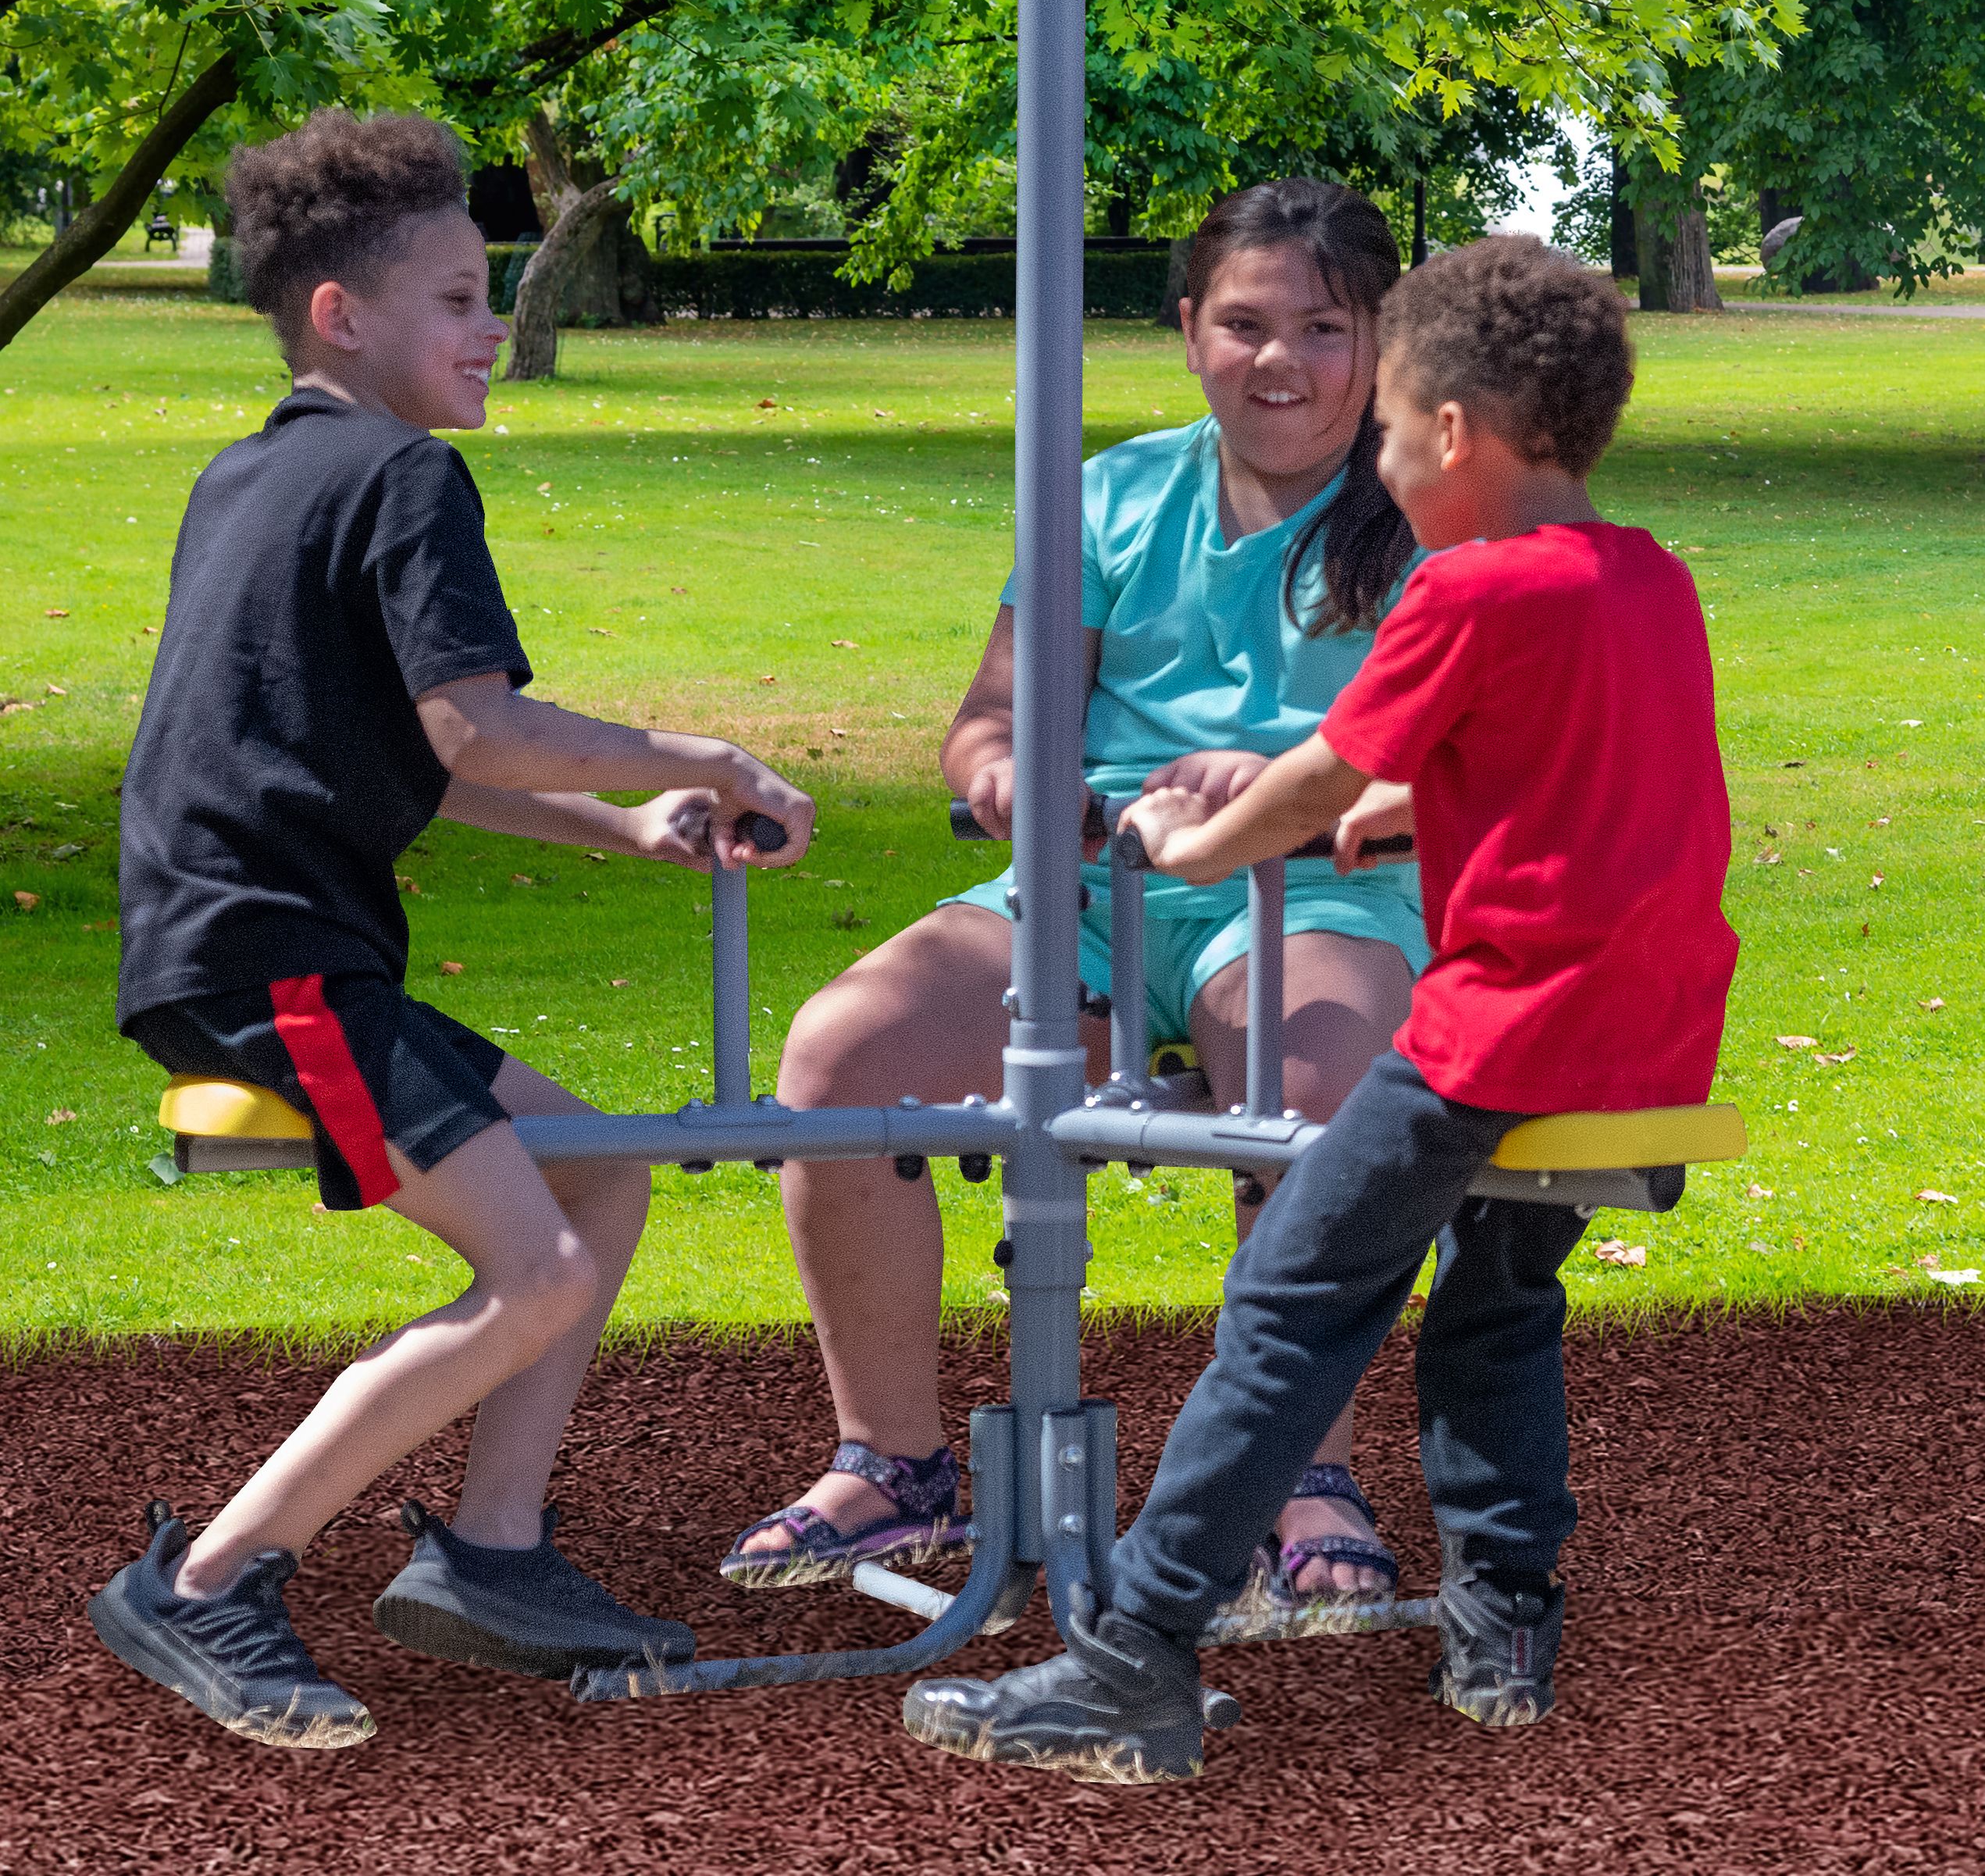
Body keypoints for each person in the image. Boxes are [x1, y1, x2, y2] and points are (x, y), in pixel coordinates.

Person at [900, 233, 1740, 1782]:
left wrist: (1191, 841)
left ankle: (1128, 1652)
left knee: (1288, 1297)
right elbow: (1582, 781)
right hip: (1645, 1028)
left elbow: (1313, 775)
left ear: (1452, 436)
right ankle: (1499, 1616)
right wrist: (1414, 812)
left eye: (1393, 424)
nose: (1381, 461)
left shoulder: (1467, 588)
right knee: (1495, 1299)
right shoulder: (1645, 578)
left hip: (1499, 1032)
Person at [89, 110, 814, 1749]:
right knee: (534, 1265)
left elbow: (415, 750)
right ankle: (209, 1574)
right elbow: (481, 727)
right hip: (274, 960)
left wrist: (624, 821)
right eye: (458, 295)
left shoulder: (259, 470)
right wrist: (697, 758)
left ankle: (493, 1552)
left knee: (595, 1153)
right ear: (343, 314)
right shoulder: (406, 474)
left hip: (244, 942)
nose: (494, 325)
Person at [726, 181, 1431, 1615]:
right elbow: (990, 720)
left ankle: (1302, 1473)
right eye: (1242, 323)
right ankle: (896, 1462)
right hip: (1092, 886)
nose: (1278, 361)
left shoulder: (1421, 511)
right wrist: (1005, 775)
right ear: (1186, 331)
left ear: (1380, 341)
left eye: (1321, 327)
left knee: (1303, 1095)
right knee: (837, 1054)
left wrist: (1284, 787)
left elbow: (1457, 752)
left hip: (1311, 892)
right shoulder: (1110, 494)